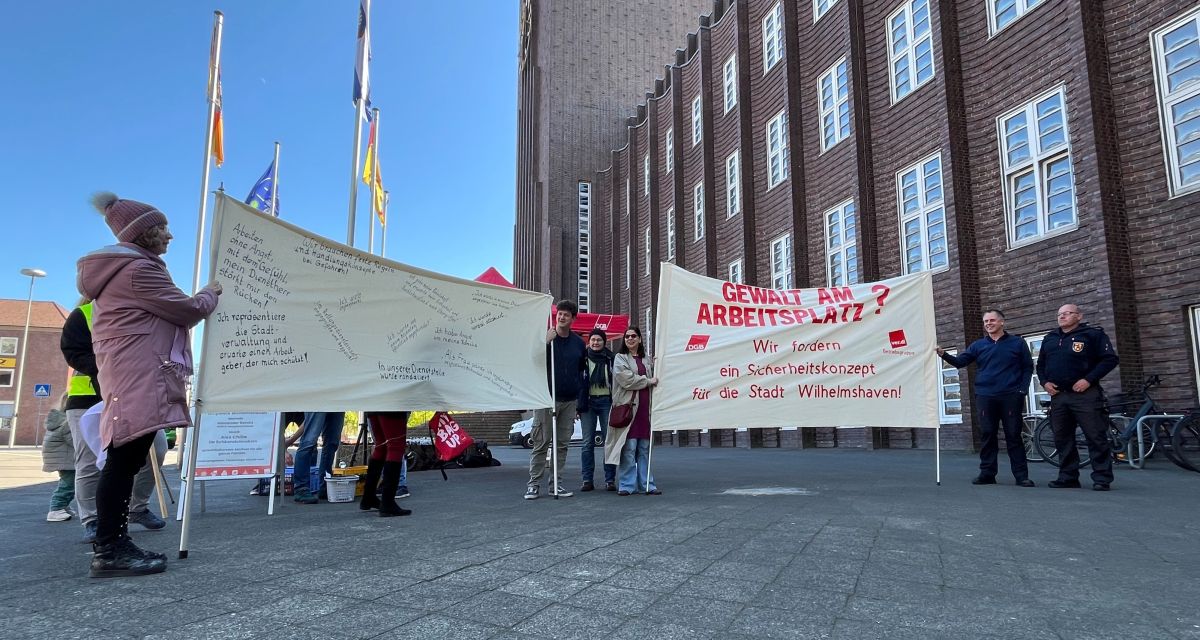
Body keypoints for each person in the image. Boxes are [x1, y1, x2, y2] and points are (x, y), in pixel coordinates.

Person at [77, 192, 221, 577]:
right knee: (124, 460)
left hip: (130, 370)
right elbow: (187, 310)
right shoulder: (139, 270)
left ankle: (112, 543)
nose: (170, 236)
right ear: (143, 234)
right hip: (138, 372)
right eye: (163, 229)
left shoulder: (123, 271)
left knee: (127, 458)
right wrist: (211, 292)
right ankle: (110, 549)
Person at [60, 298, 168, 543]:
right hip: (87, 398)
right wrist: (109, 369)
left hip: (133, 395)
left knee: (158, 448)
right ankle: (92, 519)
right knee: (88, 460)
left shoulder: (139, 312)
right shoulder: (83, 314)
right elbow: (73, 352)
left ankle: (136, 507)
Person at [937, 309, 1035, 487]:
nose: (988, 324)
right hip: (985, 396)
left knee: (1013, 435)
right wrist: (944, 354)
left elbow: (1028, 367)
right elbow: (960, 362)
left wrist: (1022, 390)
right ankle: (987, 473)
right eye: (985, 321)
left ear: (1002, 322)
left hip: (1011, 396)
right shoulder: (978, 345)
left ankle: (1021, 476)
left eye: (992, 320)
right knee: (988, 434)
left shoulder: (1017, 343)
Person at [1036, 303, 1120, 491]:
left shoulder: (1092, 335)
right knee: (1062, 438)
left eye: (1067, 313)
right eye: (1060, 314)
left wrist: (1088, 380)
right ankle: (1068, 477)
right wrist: (1044, 383)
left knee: (1095, 435)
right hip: (1059, 396)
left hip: (1085, 395)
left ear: (1079, 316)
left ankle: (1102, 478)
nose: (1062, 316)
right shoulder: (1050, 338)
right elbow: (1040, 365)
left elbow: (1110, 359)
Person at [525, 300, 587, 500]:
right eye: (559, 314)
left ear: (573, 319)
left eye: (566, 315)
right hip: (546, 399)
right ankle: (534, 484)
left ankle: (556, 484)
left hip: (569, 401)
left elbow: (580, 371)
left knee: (561, 445)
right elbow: (532, 361)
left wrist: (578, 400)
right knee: (541, 443)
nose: (561, 317)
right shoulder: (546, 338)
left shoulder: (578, 343)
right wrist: (544, 343)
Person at [605, 326, 660, 496]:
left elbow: (659, 376)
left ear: (640, 339)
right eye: (627, 336)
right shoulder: (620, 358)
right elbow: (626, 379)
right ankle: (627, 485)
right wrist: (648, 381)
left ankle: (647, 484)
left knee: (644, 449)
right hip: (629, 408)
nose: (630, 339)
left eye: (633, 336)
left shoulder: (647, 360)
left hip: (645, 409)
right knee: (628, 448)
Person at [578, 328, 617, 492]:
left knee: (609, 442)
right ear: (589, 342)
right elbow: (577, 381)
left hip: (606, 402)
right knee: (587, 443)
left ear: (604, 342)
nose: (595, 343)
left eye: (599, 340)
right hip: (587, 403)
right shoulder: (583, 358)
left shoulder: (611, 358)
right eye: (593, 340)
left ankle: (610, 480)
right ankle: (587, 479)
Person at [359, 412, 412, 517]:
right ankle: (387, 503)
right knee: (396, 447)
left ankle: (368, 497)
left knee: (381, 446)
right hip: (391, 405)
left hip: (374, 404)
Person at [292, 412, 346, 504]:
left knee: (332, 443)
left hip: (337, 401)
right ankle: (301, 488)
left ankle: (324, 485)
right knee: (309, 441)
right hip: (318, 399)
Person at [42, 395, 76, 522]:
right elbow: (75, 441)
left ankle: (63, 506)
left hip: (61, 458)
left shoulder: (58, 419)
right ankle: (55, 509)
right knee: (68, 485)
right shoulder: (66, 423)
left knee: (68, 483)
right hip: (66, 460)